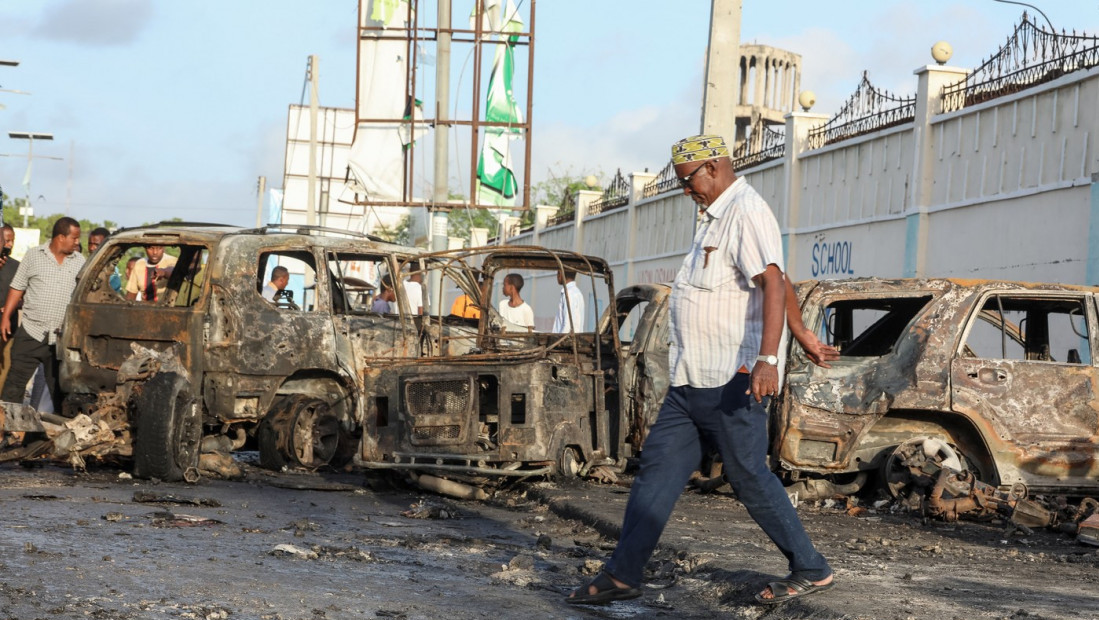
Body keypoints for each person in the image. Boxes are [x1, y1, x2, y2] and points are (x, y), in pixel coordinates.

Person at [567, 135, 839, 607]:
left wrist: (770, 357)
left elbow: (772, 280)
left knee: (749, 476)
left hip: (733, 379)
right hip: (691, 379)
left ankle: (811, 567)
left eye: (688, 181)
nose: (686, 191)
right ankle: (623, 573)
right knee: (655, 472)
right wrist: (805, 333)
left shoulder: (746, 211)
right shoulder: (713, 216)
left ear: (713, 167)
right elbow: (779, 279)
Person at [0, 217, 85, 409]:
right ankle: (6, 433)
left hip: (60, 339)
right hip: (31, 332)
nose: (77, 243)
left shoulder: (80, 262)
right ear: (61, 237)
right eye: (75, 238)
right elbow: (17, 288)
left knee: (59, 390)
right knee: (14, 386)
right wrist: (5, 318)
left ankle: (45, 436)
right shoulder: (34, 256)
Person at [0, 224, 21, 389]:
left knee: (4, 371)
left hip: (8, 331)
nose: (10, 245)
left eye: (12, 240)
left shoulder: (17, 266)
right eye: (6, 241)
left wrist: (9, 307)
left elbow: (25, 296)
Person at [552, 268, 584, 332]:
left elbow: (567, 326)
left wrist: (559, 342)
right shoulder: (576, 292)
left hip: (566, 340)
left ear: (560, 273)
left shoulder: (569, 294)